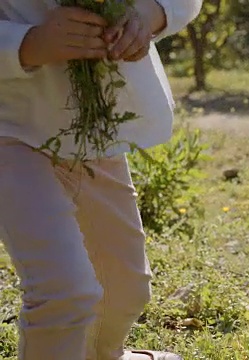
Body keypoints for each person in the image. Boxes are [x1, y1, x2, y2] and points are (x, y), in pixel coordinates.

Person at [0, 1, 201, 359]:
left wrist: (149, 13)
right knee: (64, 290)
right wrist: (28, 43)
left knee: (123, 286)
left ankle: (102, 355)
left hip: (95, 130)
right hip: (11, 127)